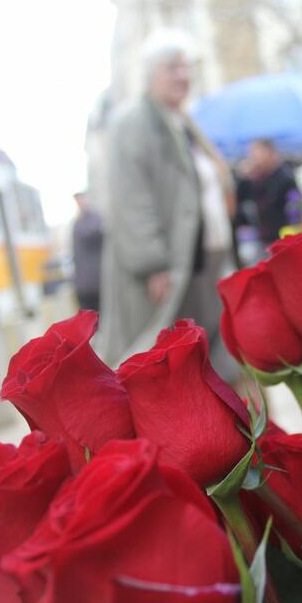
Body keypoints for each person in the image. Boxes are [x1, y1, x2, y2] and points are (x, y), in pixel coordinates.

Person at [98, 30, 238, 379]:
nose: (183, 76)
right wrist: (152, 263)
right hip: (166, 270)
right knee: (161, 364)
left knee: (209, 361)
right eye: (172, 67)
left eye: (186, 67)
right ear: (150, 74)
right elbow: (130, 197)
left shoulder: (182, 122)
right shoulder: (133, 121)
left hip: (203, 263)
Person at [240, 138, 301, 246]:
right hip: (264, 238)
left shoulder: (284, 177)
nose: (254, 158)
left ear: (270, 152)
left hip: (283, 237)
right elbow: (243, 200)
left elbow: (295, 209)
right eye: (252, 154)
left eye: (257, 153)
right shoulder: (256, 178)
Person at [71, 191, 103, 312]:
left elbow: (92, 235)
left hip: (97, 282)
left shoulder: (95, 218)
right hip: (83, 284)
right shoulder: (77, 222)